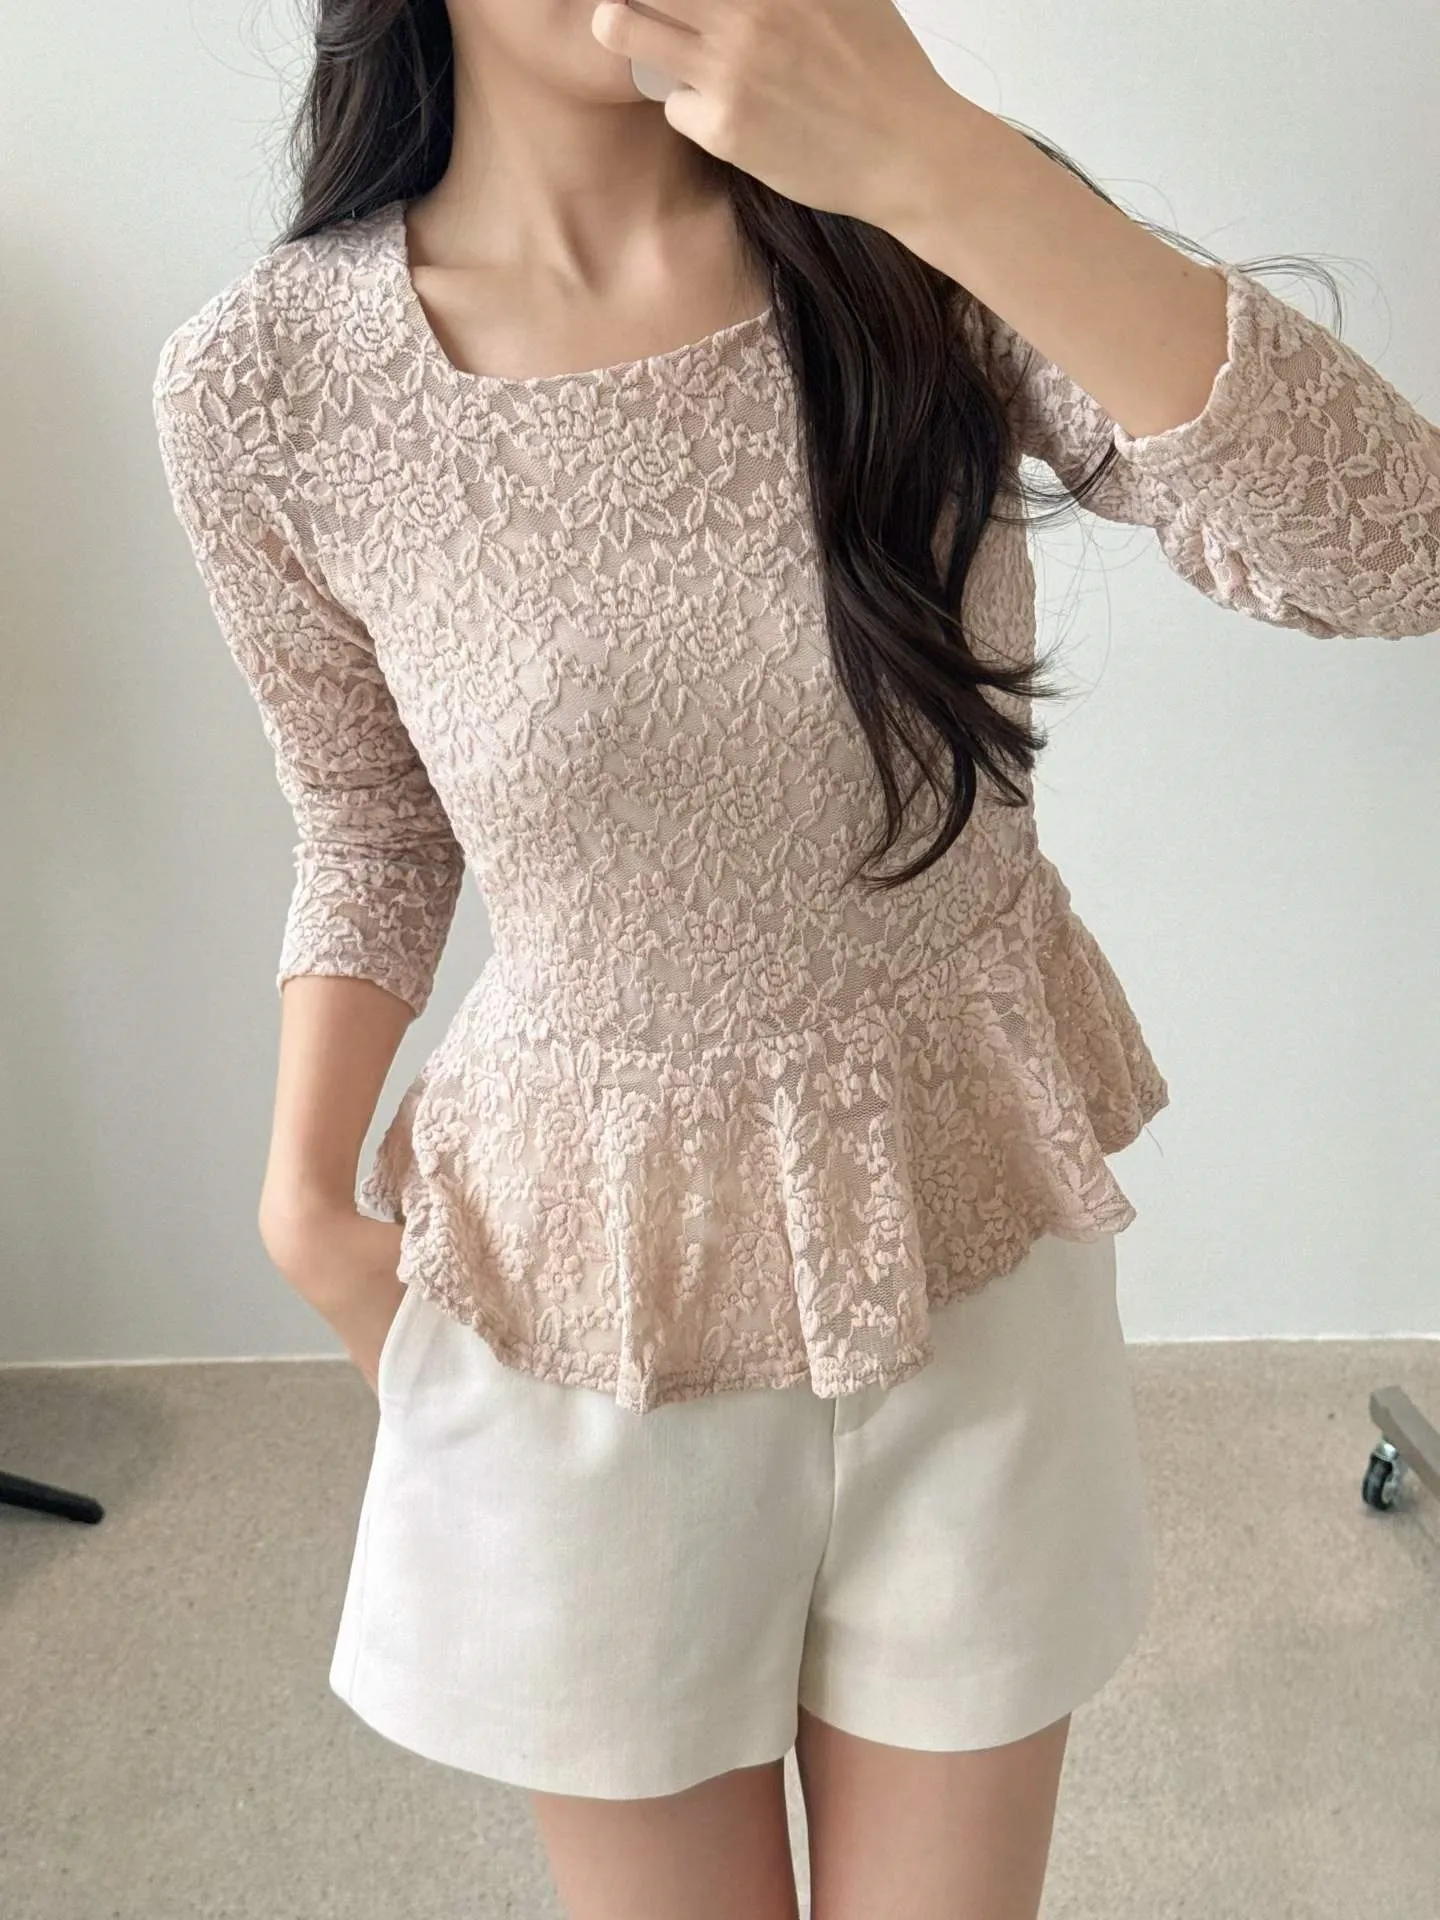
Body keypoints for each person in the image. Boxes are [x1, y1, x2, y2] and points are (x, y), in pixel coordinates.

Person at [151, 4, 1440, 1915]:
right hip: (599, 1283)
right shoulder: (267, 382)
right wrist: (301, 1196)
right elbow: (371, 818)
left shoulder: (919, 222)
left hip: (965, 1216)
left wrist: (939, 159)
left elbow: (1398, 549)